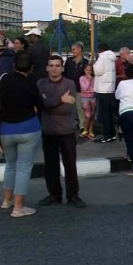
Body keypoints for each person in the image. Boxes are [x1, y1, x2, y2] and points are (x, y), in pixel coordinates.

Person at [37, 55, 86, 208]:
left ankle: (73, 196)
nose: (54, 68)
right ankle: (54, 194)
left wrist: (50, 103)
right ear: (47, 68)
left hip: (66, 131)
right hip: (48, 131)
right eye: (51, 65)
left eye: (57, 65)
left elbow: (68, 108)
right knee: (50, 166)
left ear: (62, 68)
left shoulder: (70, 83)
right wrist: (59, 100)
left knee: (70, 165)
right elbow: (41, 105)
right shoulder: (40, 83)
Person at [0, 51, 43, 218]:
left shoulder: (4, 79)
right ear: (31, 67)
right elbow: (40, 104)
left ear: (14, 64)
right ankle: (18, 207)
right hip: (28, 128)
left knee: (10, 165)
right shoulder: (31, 83)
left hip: (6, 129)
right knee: (23, 168)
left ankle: (6, 200)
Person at [63, 42, 90, 134]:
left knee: (79, 107)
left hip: (80, 89)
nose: (72, 51)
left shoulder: (85, 62)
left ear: (80, 49)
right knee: (70, 107)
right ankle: (71, 124)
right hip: (69, 88)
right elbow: (65, 73)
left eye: (74, 49)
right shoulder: (69, 61)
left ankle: (82, 125)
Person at [93, 43, 118, 143]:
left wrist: (94, 63)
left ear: (100, 49)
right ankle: (112, 134)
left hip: (102, 89)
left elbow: (98, 71)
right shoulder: (112, 58)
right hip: (110, 89)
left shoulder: (102, 57)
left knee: (104, 115)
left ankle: (106, 135)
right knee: (110, 114)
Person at [79, 63, 96, 140]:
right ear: (84, 70)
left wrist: (88, 90)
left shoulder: (94, 78)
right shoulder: (81, 78)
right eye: (87, 70)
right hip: (85, 98)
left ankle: (90, 130)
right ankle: (85, 130)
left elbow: (94, 89)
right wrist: (88, 81)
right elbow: (84, 88)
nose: (88, 72)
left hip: (93, 98)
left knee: (92, 115)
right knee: (87, 115)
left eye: (90, 70)